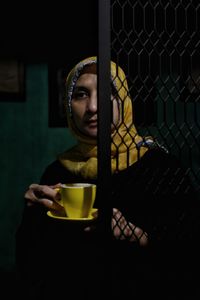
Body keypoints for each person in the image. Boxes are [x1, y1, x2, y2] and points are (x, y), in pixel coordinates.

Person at [16, 56, 199, 299]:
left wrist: (138, 237)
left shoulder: (161, 167)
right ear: (69, 106)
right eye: (80, 94)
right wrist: (31, 214)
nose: (92, 107)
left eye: (106, 92)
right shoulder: (57, 172)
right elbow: (32, 266)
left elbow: (190, 256)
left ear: (124, 100)